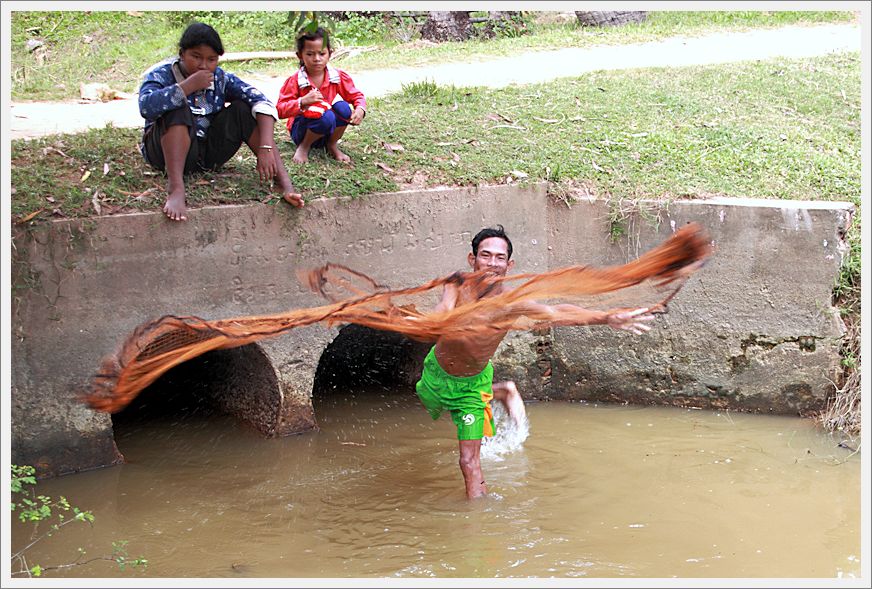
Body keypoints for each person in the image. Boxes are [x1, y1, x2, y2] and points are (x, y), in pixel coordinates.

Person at [415, 226, 656, 499]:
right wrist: (432, 320)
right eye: (486, 255)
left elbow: (555, 312)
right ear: (472, 259)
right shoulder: (457, 283)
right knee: (426, 397)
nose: (492, 263)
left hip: (470, 387)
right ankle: (501, 391)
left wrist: (606, 317)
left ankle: (478, 524)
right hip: (436, 372)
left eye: (500, 258)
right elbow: (444, 309)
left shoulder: (512, 302)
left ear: (509, 264)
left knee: (468, 462)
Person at [138, 22, 304, 222]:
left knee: (242, 109)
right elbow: (146, 107)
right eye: (196, 57)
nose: (203, 65)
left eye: (211, 59)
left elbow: (262, 102)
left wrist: (266, 146)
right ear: (182, 54)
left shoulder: (221, 78)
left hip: (206, 154)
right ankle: (176, 187)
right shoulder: (161, 74)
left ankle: (285, 186)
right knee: (176, 105)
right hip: (165, 154)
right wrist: (185, 87)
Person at [276, 27, 367, 164]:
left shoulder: (337, 77)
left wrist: (360, 109)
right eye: (310, 54)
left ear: (330, 54)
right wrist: (302, 102)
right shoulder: (296, 81)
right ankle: (304, 147)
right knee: (326, 116)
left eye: (322, 53)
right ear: (300, 55)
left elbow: (356, 95)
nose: (317, 59)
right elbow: (280, 110)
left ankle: (331, 144)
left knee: (343, 108)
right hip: (302, 130)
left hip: (326, 130)